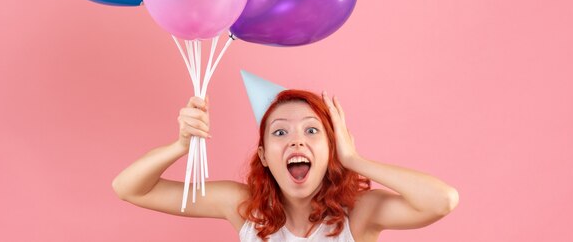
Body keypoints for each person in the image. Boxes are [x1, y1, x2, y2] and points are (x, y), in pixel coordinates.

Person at [112, 89, 459, 241]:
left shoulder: (359, 215)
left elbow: (442, 200)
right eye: (281, 132)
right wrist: (181, 145)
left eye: (312, 130)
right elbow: (129, 188)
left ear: (331, 149)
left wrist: (354, 159)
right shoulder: (246, 209)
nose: (296, 141)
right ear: (264, 155)